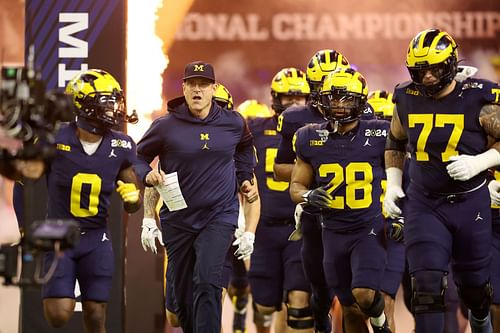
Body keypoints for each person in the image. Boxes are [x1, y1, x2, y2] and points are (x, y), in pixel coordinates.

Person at [384, 28, 500, 333]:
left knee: (475, 289)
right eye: (420, 71)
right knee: (425, 285)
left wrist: (480, 161)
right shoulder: (406, 97)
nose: (428, 78)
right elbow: (395, 141)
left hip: (470, 201)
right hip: (424, 202)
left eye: (435, 69)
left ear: (450, 64)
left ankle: (479, 318)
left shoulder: (480, 96)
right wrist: (393, 183)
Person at [134, 61, 258, 332]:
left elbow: (245, 148)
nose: (197, 90)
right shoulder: (166, 125)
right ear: (184, 88)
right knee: (181, 301)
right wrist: (146, 175)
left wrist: (245, 175)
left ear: (213, 89)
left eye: (203, 84)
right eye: (192, 84)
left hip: (218, 216)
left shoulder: (234, 122)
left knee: (207, 280)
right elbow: (138, 155)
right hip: (178, 219)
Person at [289, 68, 391, 333]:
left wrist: (399, 211)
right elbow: (296, 186)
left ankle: (381, 324)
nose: (339, 105)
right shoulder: (309, 137)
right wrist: (309, 195)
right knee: (350, 309)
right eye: (333, 98)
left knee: (364, 293)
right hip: (332, 232)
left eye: (346, 99)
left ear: (359, 101)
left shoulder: (380, 133)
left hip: (368, 229)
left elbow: (403, 174)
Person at [41, 69, 141, 332]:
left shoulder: (122, 145)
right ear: (83, 104)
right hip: (58, 231)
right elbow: (22, 179)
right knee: (58, 314)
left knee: (96, 316)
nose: (112, 108)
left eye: (113, 101)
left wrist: (133, 200)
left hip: (97, 236)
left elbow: (133, 199)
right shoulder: (56, 138)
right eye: (104, 101)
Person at [274, 49, 350, 333]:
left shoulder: (364, 112)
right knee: (318, 286)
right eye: (322, 86)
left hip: (352, 211)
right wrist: (310, 173)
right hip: (314, 211)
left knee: (358, 292)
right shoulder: (296, 119)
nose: (331, 93)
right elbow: (280, 168)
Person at [246, 68, 313, 332]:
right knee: (263, 307)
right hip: (265, 228)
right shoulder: (255, 129)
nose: (295, 104)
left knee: (299, 302)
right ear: (276, 98)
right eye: (288, 98)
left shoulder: (316, 132)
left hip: (300, 229)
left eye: (300, 99)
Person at [368, 90, 405, 332]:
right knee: (353, 302)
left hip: (395, 231)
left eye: (386, 120)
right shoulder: (353, 151)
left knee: (386, 299)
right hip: (362, 232)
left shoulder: (406, 155)